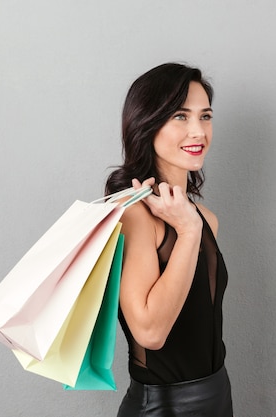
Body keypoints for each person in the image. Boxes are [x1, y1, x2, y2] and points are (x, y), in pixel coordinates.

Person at [105, 63, 233, 417]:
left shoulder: (206, 219)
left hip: (219, 397)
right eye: (180, 116)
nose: (198, 131)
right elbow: (150, 333)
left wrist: (192, 225)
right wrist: (188, 231)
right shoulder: (131, 213)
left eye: (205, 116)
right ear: (148, 122)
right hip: (163, 409)